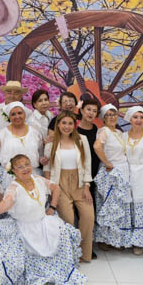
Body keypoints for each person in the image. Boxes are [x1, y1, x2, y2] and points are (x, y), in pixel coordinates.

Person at [0, 154, 86, 285]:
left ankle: (58, 270)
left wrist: (53, 207)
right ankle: (38, 274)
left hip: (43, 221)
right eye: (20, 167)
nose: (25, 168)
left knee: (63, 231)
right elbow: (7, 201)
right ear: (13, 171)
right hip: (25, 226)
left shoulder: (38, 179)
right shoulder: (14, 187)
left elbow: (55, 188)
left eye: (27, 164)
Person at [94, 105, 143, 254]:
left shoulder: (119, 133)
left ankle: (120, 238)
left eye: (114, 114)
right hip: (112, 172)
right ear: (103, 118)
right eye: (108, 115)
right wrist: (108, 164)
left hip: (124, 172)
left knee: (121, 206)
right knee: (111, 205)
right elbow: (97, 147)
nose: (112, 117)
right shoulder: (104, 131)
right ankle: (107, 239)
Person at [44, 112, 94, 263]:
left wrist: (86, 186)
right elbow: (46, 168)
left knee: (88, 216)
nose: (67, 126)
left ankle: (83, 252)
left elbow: (87, 163)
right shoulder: (51, 144)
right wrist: (51, 189)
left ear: (74, 125)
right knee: (68, 219)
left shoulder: (82, 140)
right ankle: (69, 253)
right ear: (58, 125)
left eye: (70, 123)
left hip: (79, 183)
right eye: (63, 123)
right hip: (60, 184)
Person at [0, 101, 43, 191]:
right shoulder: (2, 134)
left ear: (24, 114)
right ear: (9, 117)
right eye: (13, 114)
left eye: (20, 113)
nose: (17, 116)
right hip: (10, 178)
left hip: (32, 176)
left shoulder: (35, 132)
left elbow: (41, 154)